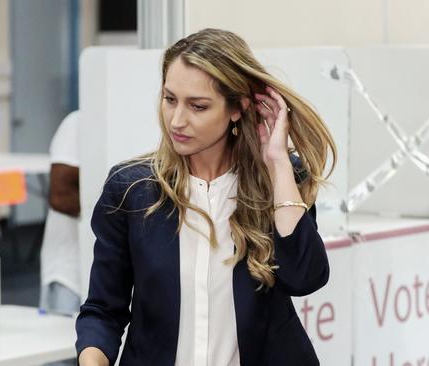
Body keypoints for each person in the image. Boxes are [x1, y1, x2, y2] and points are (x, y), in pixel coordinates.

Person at [76, 28, 336, 366]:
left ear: (237, 108)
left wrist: (277, 165)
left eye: (198, 106)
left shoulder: (279, 180)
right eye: (170, 99)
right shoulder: (132, 189)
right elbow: (103, 310)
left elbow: (304, 277)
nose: (177, 120)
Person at [40, 111, 81, 318]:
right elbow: (60, 197)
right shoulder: (77, 123)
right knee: (61, 344)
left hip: (106, 269)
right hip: (69, 271)